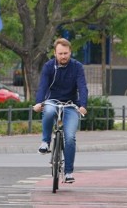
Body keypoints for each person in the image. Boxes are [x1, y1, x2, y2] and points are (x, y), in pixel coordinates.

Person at [33, 38, 88, 184]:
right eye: (60, 53)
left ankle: (68, 172)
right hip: (53, 101)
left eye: (66, 53)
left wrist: (83, 105)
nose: (63, 56)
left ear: (70, 52)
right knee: (49, 111)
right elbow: (43, 86)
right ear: (55, 53)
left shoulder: (77, 67)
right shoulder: (49, 67)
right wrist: (39, 103)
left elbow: (82, 87)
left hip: (71, 105)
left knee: (70, 137)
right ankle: (45, 142)